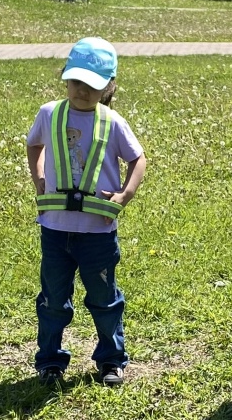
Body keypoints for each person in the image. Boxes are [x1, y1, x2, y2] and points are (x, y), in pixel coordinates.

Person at [25, 37, 146, 385]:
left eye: (93, 84)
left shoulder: (112, 122)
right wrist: (39, 177)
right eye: (76, 81)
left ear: (109, 86)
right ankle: (50, 361)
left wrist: (124, 195)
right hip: (55, 229)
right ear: (65, 76)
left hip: (97, 234)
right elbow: (34, 144)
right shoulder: (50, 113)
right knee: (52, 300)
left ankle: (111, 359)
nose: (82, 90)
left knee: (105, 300)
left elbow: (138, 159)